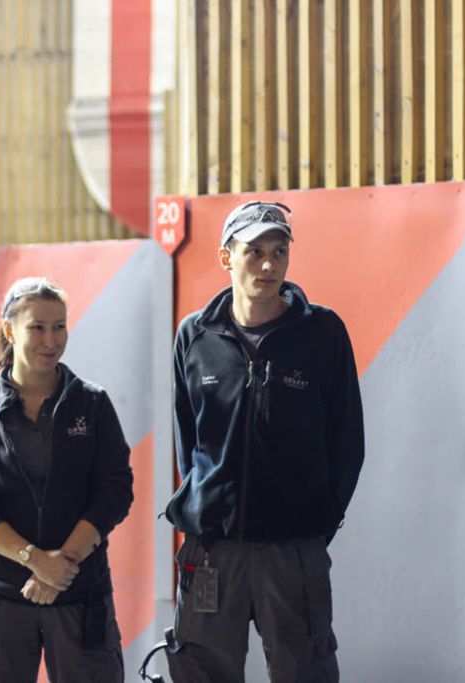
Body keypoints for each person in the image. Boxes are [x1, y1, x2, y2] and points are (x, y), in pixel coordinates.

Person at [165, 200, 365, 682]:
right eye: (254, 252)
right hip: (212, 551)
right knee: (201, 672)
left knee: (304, 671)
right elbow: (189, 442)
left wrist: (313, 525)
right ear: (226, 258)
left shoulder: (322, 333)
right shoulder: (194, 336)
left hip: (293, 550)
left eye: (279, 251)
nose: (269, 265)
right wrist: (210, 505)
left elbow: (347, 443)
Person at [0, 276, 133, 682]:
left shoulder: (92, 404)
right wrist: (34, 560)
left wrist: (62, 564)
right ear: (10, 330)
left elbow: (115, 491)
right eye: (37, 327)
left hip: (79, 592)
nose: (51, 340)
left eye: (59, 326)